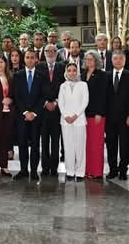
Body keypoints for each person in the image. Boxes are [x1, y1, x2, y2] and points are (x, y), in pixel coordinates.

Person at [13, 50, 46, 181]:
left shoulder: (41, 75)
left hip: (36, 117)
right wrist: (26, 112)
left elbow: (43, 96)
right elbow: (16, 96)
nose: (30, 59)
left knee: (35, 145)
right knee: (22, 144)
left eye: (32, 57)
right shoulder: (18, 75)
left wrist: (34, 113)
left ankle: (33, 171)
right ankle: (23, 170)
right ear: (24, 59)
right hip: (22, 116)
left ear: (36, 59)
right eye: (27, 57)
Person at [105, 51, 129, 180]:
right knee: (111, 145)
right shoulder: (106, 76)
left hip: (125, 117)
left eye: (120, 59)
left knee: (125, 145)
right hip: (109, 118)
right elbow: (103, 98)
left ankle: (123, 170)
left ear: (124, 61)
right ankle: (113, 169)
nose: (118, 61)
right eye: (115, 58)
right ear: (112, 60)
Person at [36, 45, 65, 176]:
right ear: (44, 53)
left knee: (55, 140)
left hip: (58, 109)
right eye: (47, 51)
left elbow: (64, 87)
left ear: (56, 53)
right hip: (43, 110)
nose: (50, 53)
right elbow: (36, 88)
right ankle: (45, 167)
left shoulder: (62, 67)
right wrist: (45, 102)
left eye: (53, 51)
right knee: (44, 141)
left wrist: (56, 102)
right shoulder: (38, 67)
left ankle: (54, 168)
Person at [58, 63, 88, 182]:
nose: (72, 72)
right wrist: (66, 116)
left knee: (80, 147)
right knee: (68, 146)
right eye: (69, 70)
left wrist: (75, 115)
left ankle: (80, 172)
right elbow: (61, 103)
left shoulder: (83, 85)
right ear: (66, 72)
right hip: (66, 121)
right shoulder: (63, 86)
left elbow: (85, 102)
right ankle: (69, 171)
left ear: (77, 72)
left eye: (74, 70)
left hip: (79, 120)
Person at [81, 51, 106, 179]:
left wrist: (99, 113)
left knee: (96, 144)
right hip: (83, 114)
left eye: (91, 59)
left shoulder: (102, 75)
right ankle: (86, 170)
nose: (89, 61)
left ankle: (96, 171)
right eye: (87, 59)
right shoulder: (82, 74)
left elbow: (103, 95)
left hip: (96, 115)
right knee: (86, 144)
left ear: (96, 61)